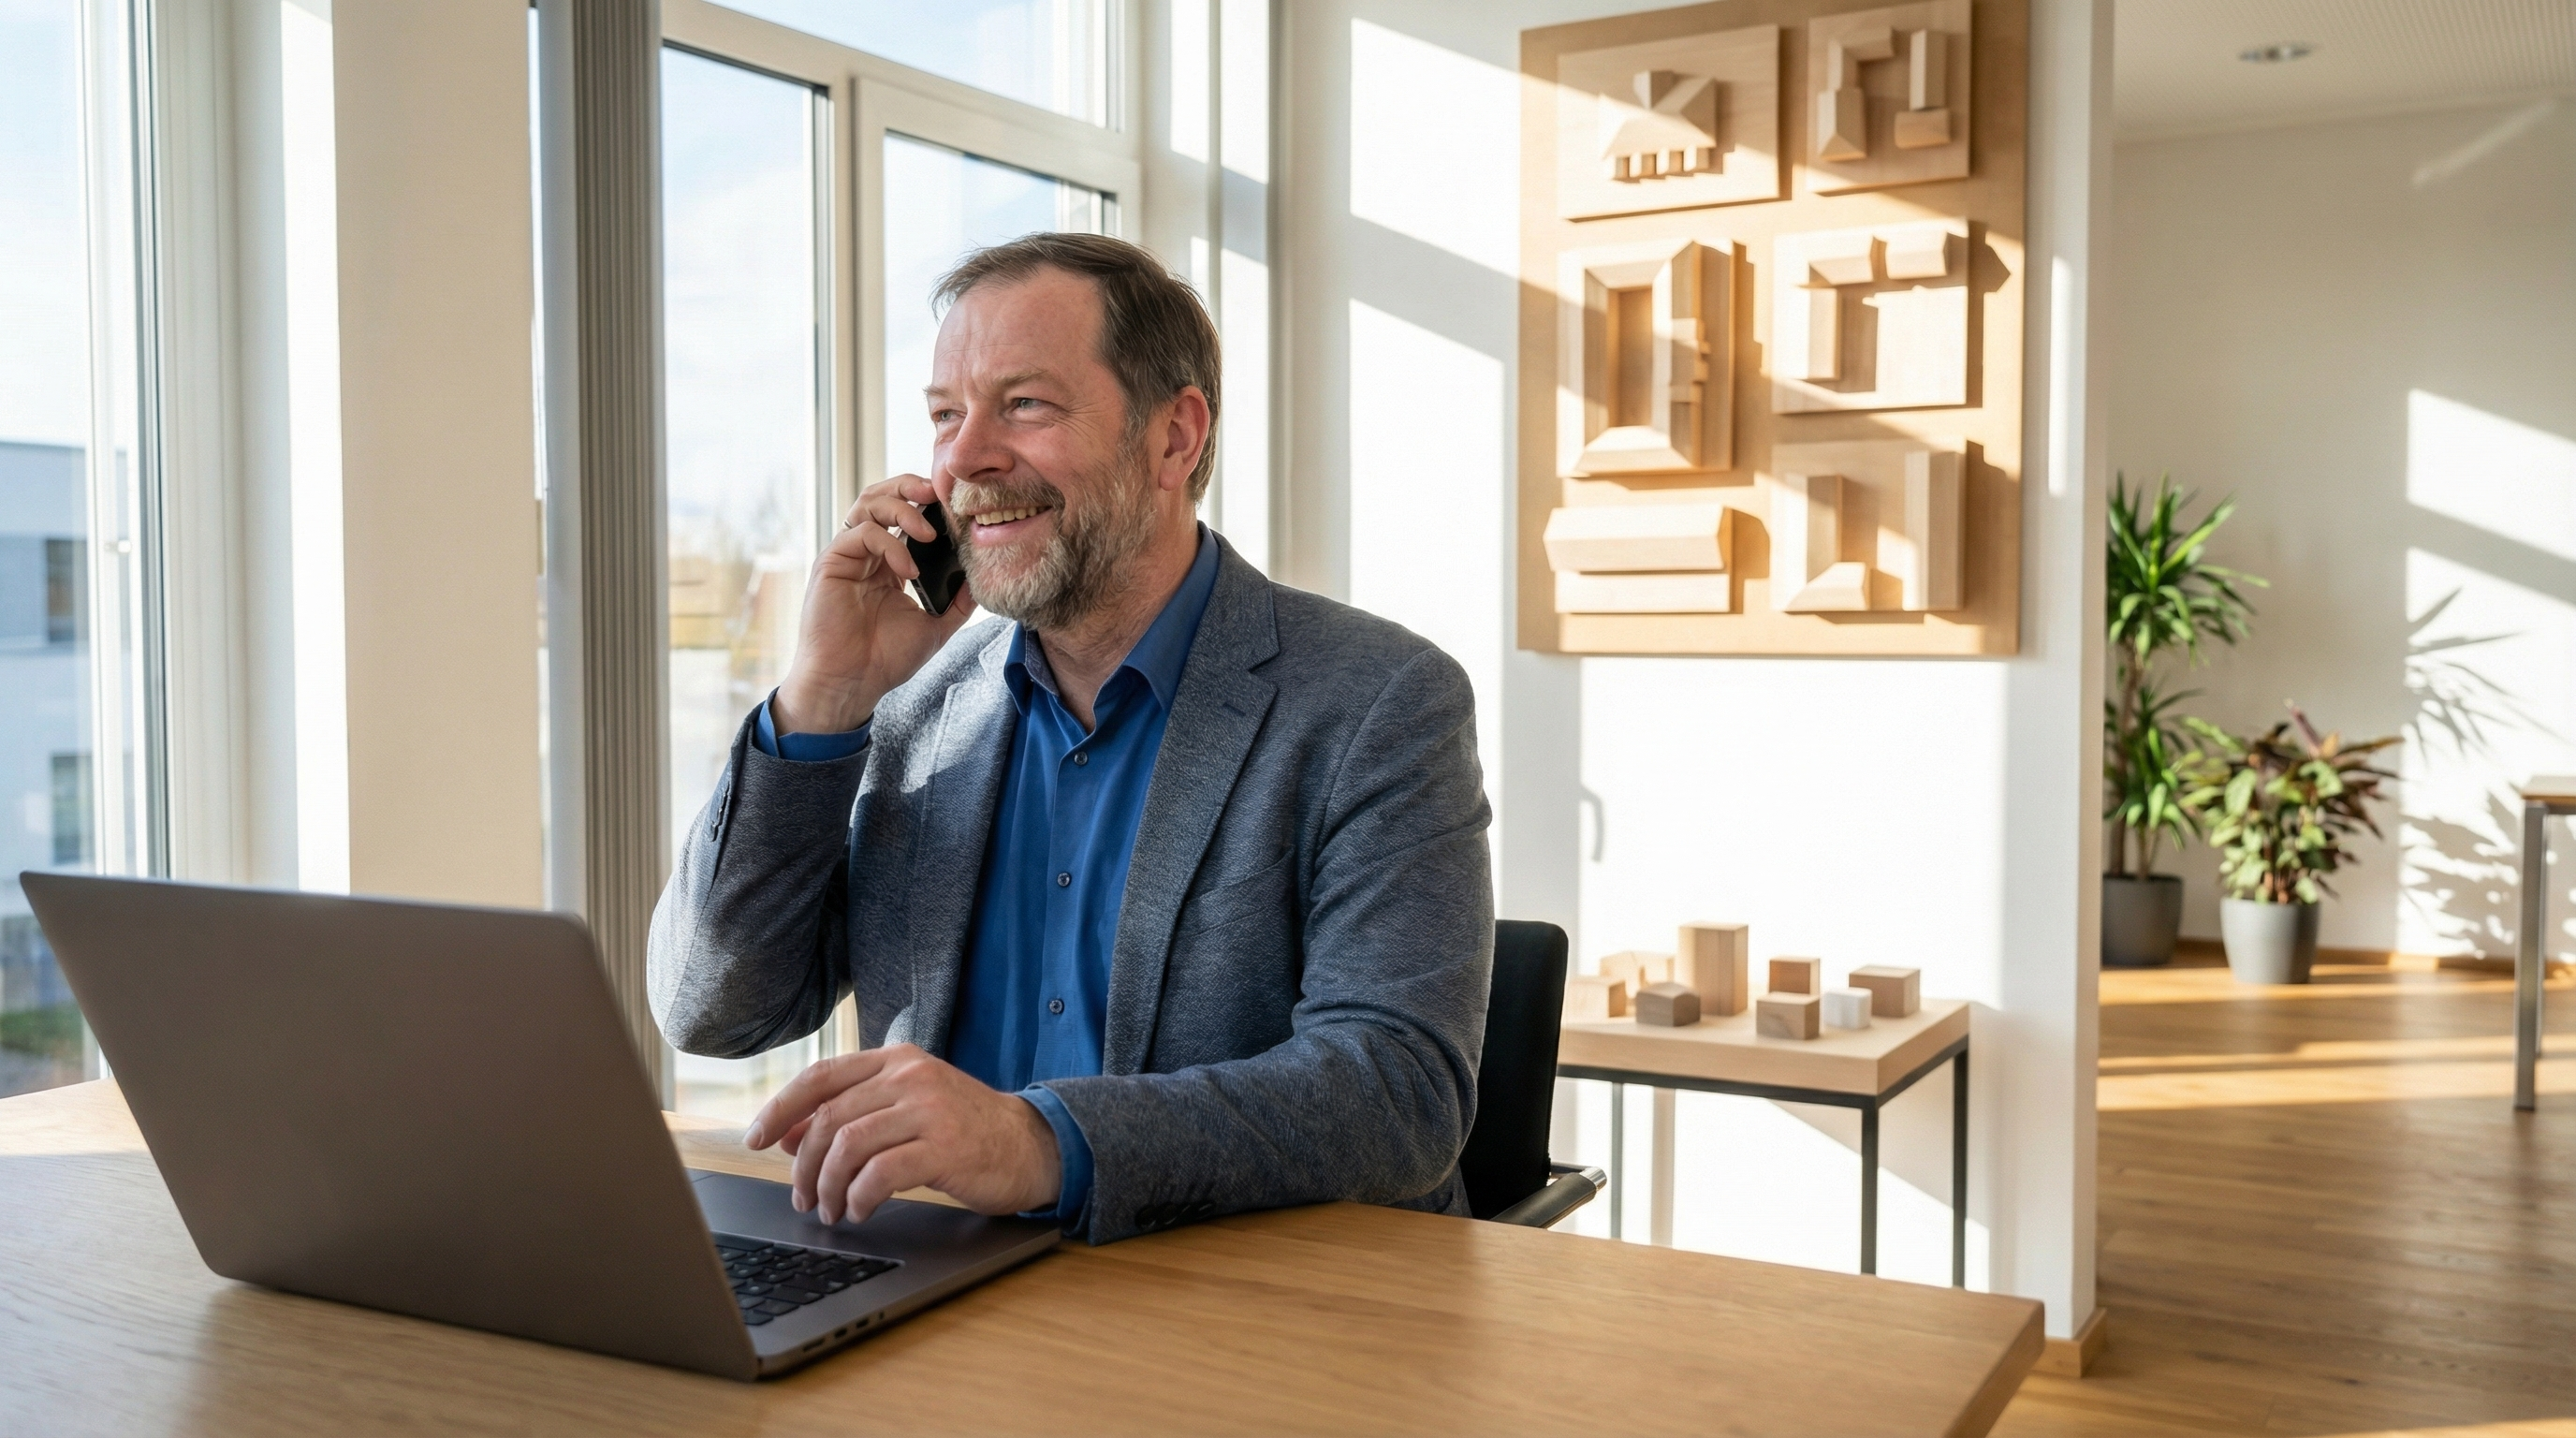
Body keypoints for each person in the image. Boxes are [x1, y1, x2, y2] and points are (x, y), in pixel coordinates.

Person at [647, 232, 1492, 1246]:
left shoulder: (1377, 701)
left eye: (1025, 405)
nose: (964, 457)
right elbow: (715, 1011)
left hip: (1252, 1311)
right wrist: (823, 697)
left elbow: (1398, 1093)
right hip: (943, 1283)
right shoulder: (915, 707)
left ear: (1174, 438)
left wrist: (1036, 1141)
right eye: (946, 415)